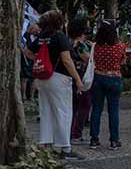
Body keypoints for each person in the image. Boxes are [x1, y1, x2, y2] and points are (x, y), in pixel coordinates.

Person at [30, 11, 84, 160]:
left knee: (46, 110)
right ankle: (65, 147)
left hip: (42, 77)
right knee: (63, 112)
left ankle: (45, 142)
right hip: (59, 78)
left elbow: (28, 51)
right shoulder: (60, 37)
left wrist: (39, 58)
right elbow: (66, 60)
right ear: (59, 23)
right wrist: (77, 79)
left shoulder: (41, 37)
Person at [89, 20, 128, 150]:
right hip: (114, 78)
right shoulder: (120, 47)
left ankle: (94, 139)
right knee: (113, 110)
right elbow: (123, 61)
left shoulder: (96, 46)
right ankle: (114, 140)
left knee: (96, 109)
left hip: (98, 77)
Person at [68, 18, 92, 145]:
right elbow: (88, 59)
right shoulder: (80, 45)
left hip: (70, 75)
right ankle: (76, 133)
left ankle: (70, 132)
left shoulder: (69, 42)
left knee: (73, 105)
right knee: (84, 104)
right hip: (81, 76)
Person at [20, 22, 40, 101]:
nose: (36, 32)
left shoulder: (34, 37)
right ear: (31, 28)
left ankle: (31, 97)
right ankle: (24, 96)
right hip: (25, 60)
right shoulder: (24, 36)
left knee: (34, 78)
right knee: (25, 78)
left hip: (33, 60)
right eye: (35, 31)